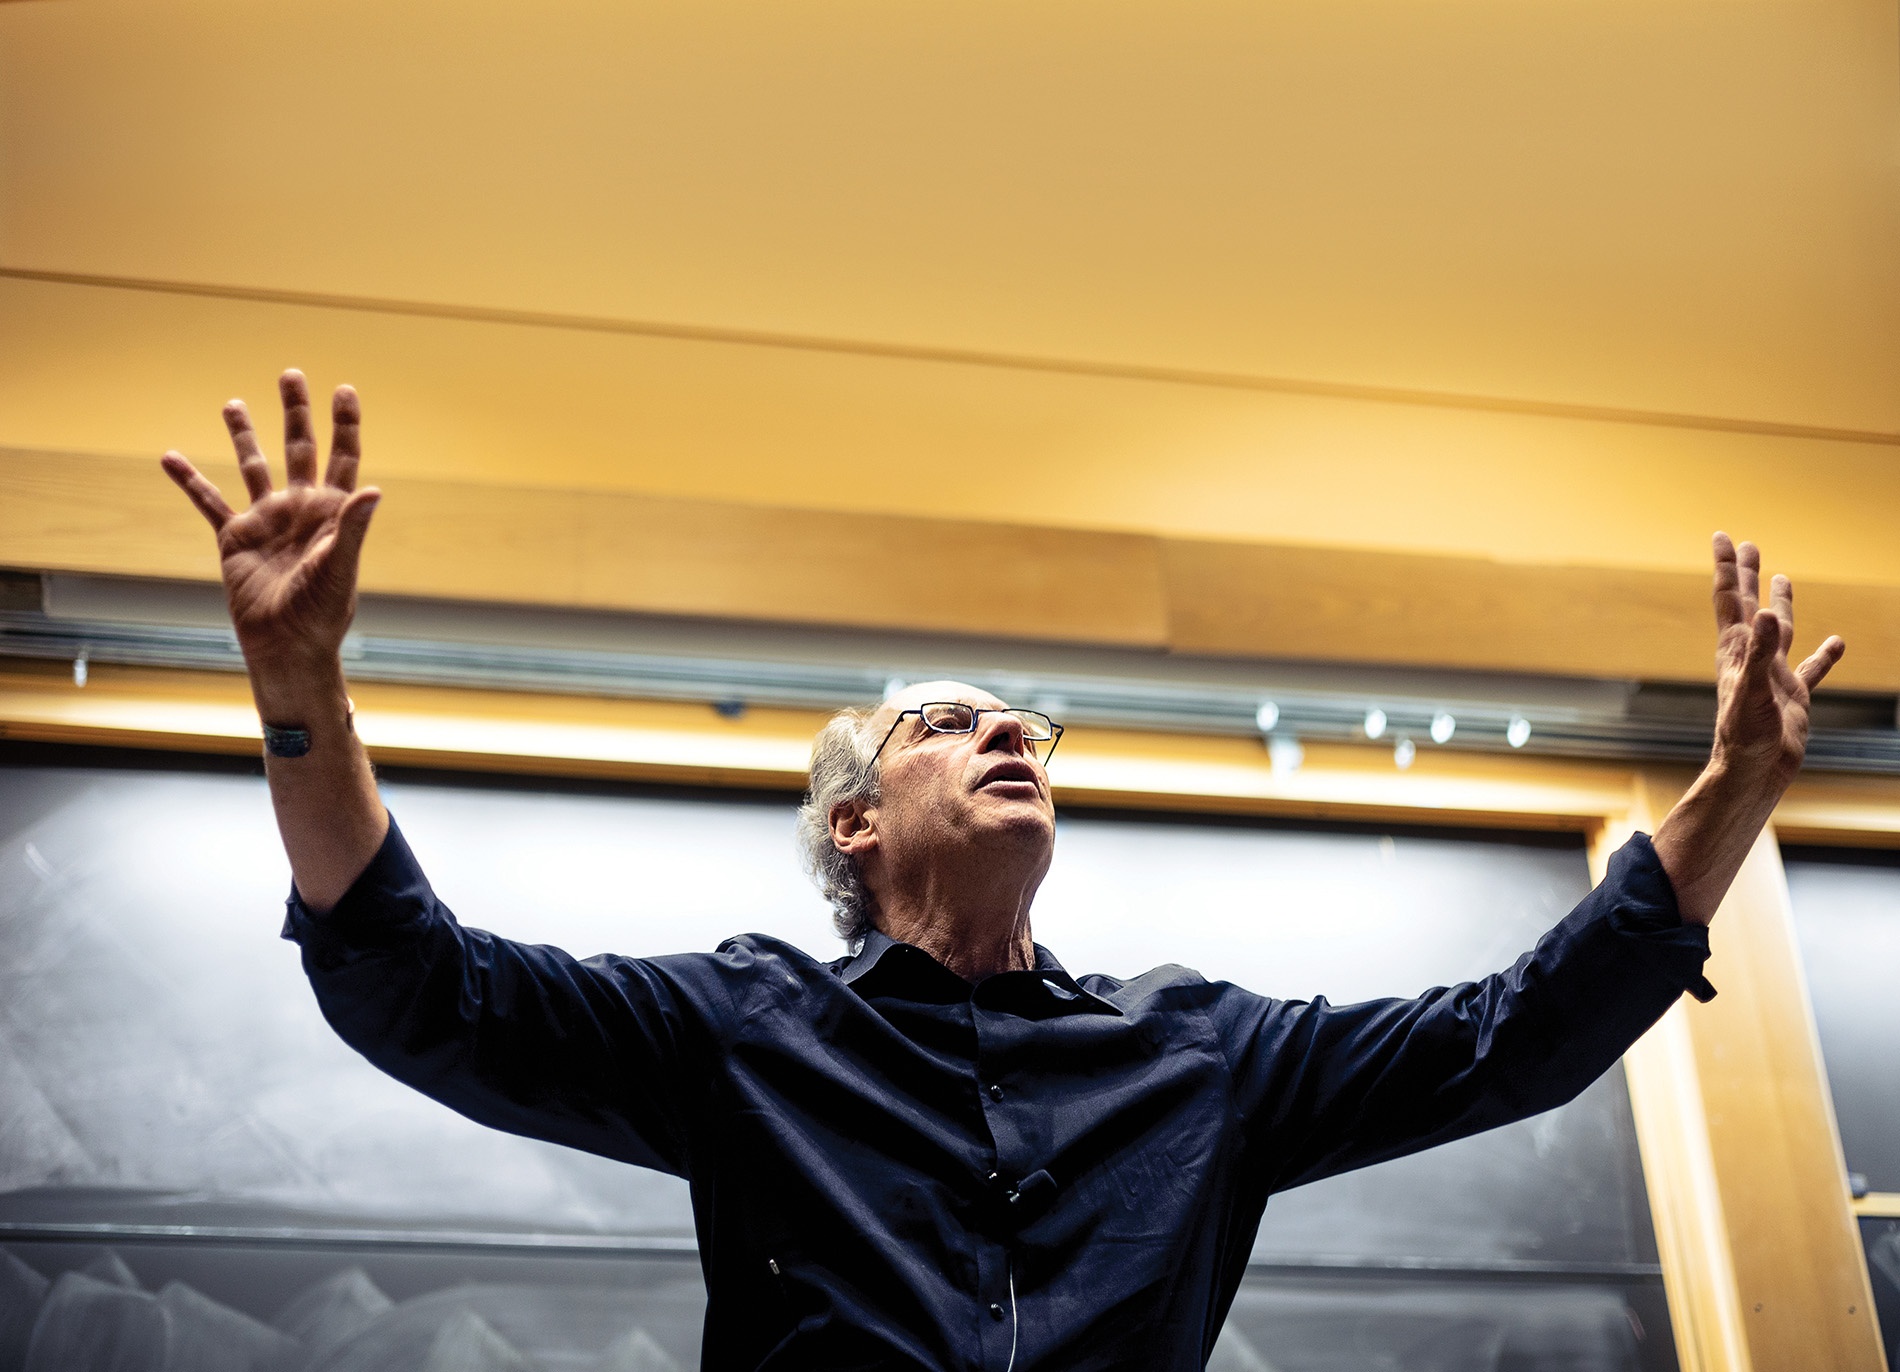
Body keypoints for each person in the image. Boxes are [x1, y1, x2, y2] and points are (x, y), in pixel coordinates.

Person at [161, 371, 1845, 1372]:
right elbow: (418, 989)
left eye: (1025, 723)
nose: (1009, 735)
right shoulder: (745, 1026)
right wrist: (300, 690)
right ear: (855, 826)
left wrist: (1734, 791)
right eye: (951, 726)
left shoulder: (1204, 1054)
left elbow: (1514, 1035)